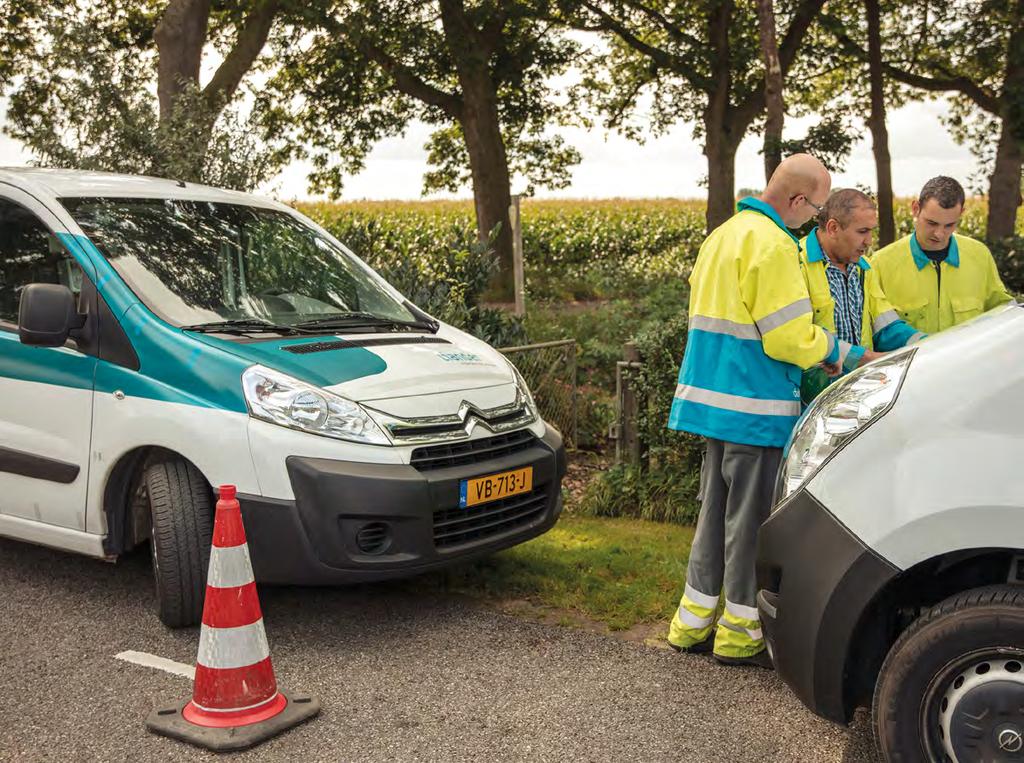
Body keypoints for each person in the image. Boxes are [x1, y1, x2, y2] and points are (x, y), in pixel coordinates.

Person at [666, 154, 853, 667]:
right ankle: (739, 635)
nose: (813, 219)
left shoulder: (724, 234)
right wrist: (837, 352)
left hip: (712, 405)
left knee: (712, 517)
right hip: (756, 408)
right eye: (815, 209)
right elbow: (789, 337)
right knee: (749, 525)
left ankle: (690, 624)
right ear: (797, 200)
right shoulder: (773, 246)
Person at [798, 189, 924, 403]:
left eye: (872, 231)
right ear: (833, 228)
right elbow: (799, 336)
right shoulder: (797, 263)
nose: (869, 241)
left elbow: (887, 327)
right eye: (862, 231)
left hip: (859, 399)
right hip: (811, 403)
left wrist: (928, 346)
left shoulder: (863, 269)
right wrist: (863, 359)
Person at [870, 176, 1012, 334]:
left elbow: (1004, 313)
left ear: (961, 214)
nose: (939, 234)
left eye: (949, 225)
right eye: (932, 223)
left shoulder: (980, 255)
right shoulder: (881, 263)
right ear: (915, 208)